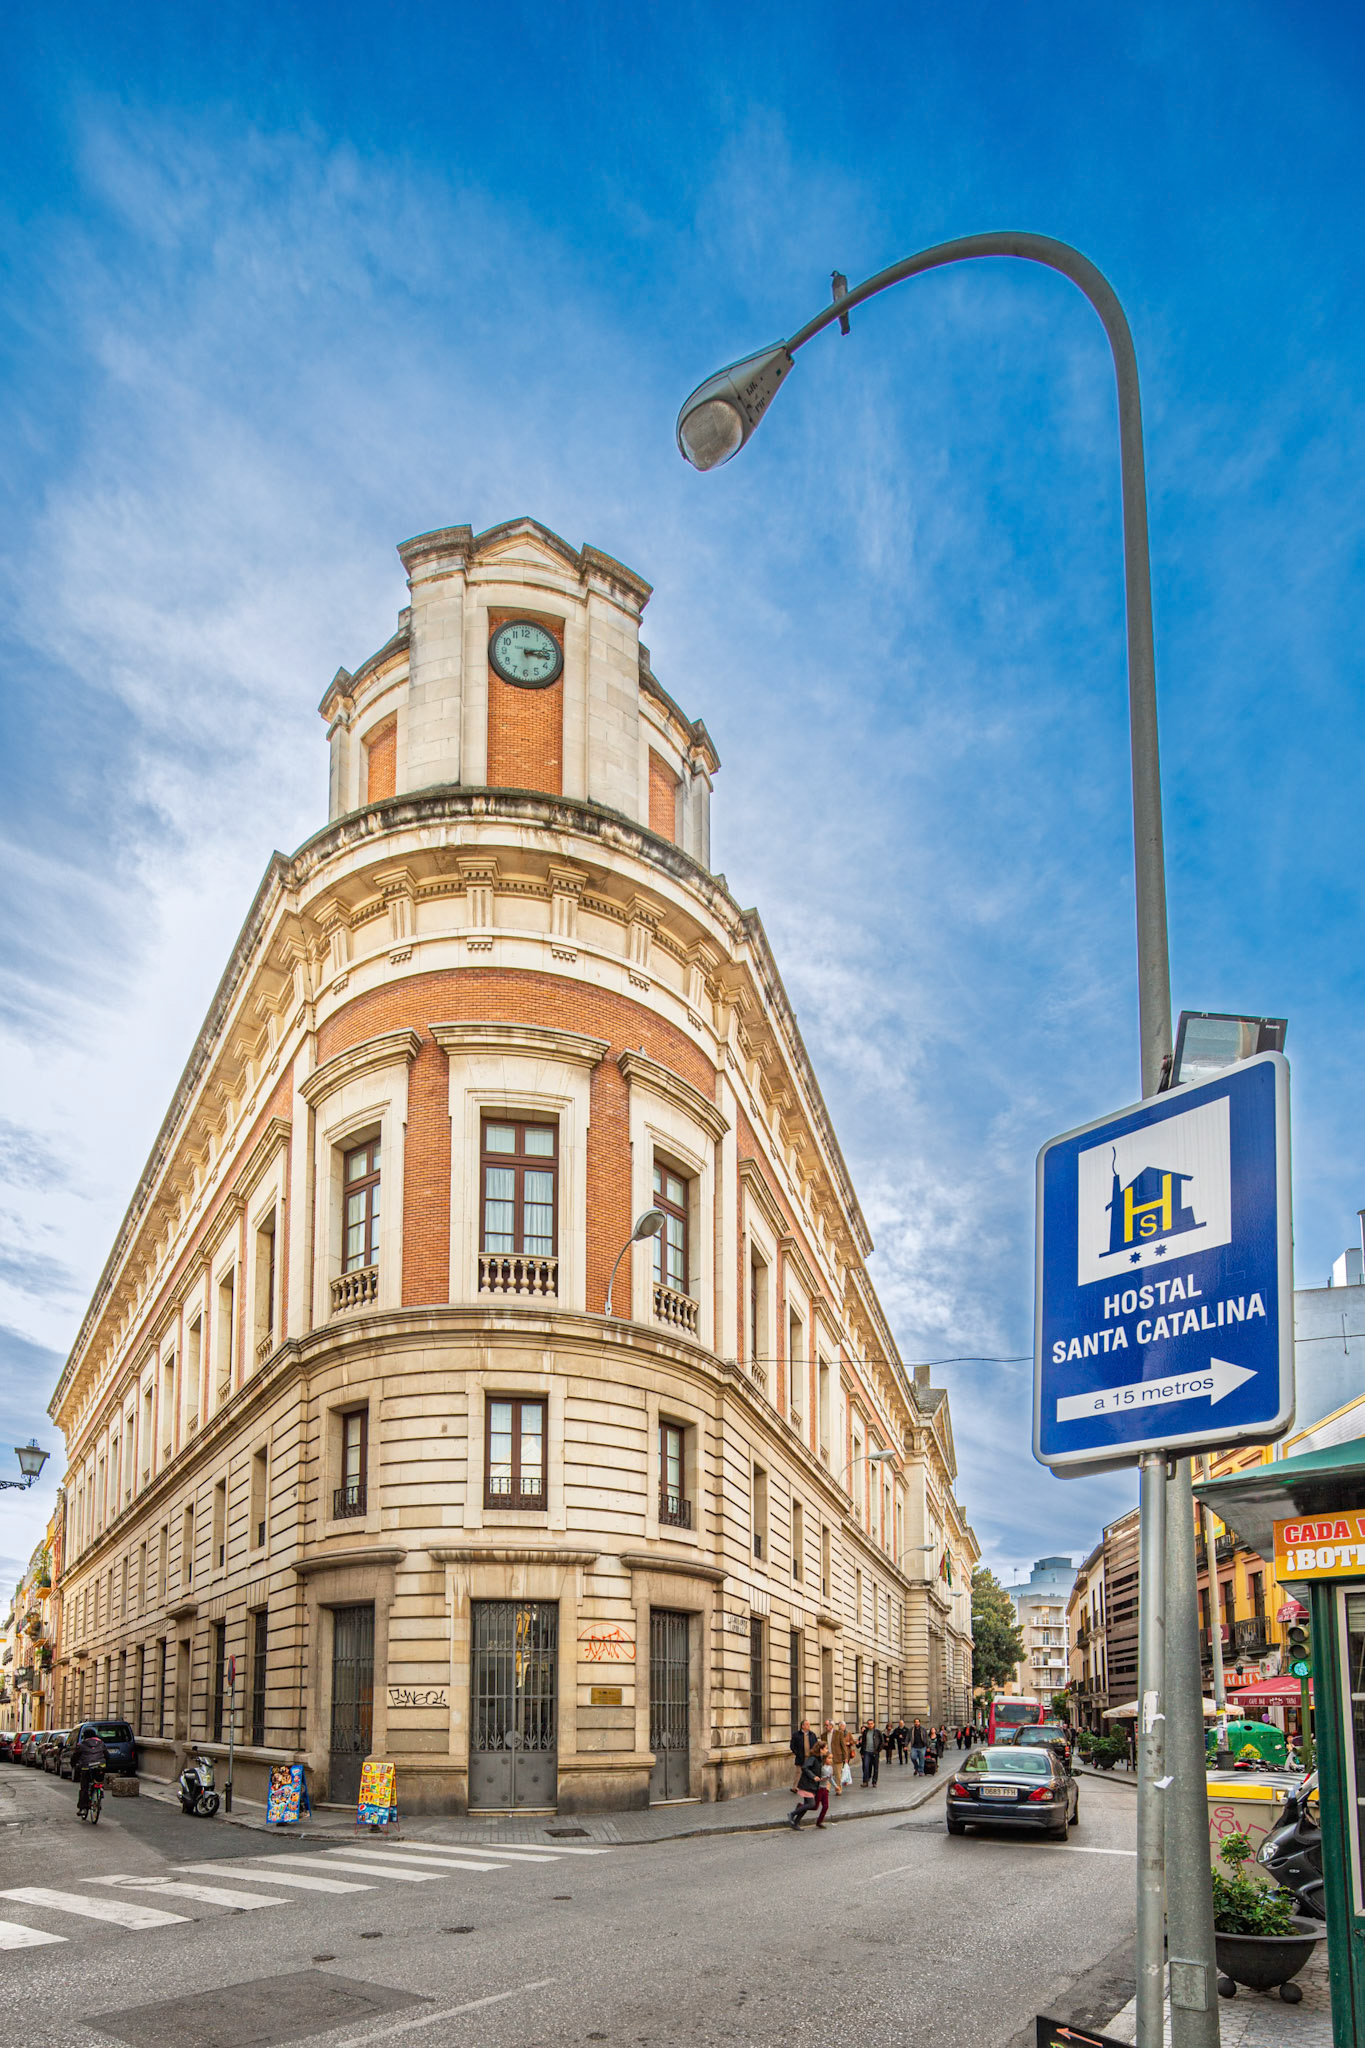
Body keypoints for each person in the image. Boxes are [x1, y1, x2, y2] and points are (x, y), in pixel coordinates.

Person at [72, 1724, 107, 1817]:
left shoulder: (82, 1744)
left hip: (87, 1767)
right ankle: (99, 1791)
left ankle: (83, 1808)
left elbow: (75, 1757)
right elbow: (107, 1755)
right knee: (98, 1780)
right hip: (100, 1766)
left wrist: (74, 1765)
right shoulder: (101, 1743)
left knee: (84, 1787)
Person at [789, 1741, 825, 1828]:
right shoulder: (813, 1758)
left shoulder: (819, 1758)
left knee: (806, 1805)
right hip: (807, 1784)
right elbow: (805, 1767)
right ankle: (791, 1814)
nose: (826, 1750)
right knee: (811, 1804)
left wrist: (820, 1777)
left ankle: (795, 1823)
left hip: (812, 1785)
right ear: (820, 1749)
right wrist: (813, 1777)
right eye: (826, 1748)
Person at [859, 1717, 881, 1787]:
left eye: (871, 1724)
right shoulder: (865, 1732)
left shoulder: (877, 1732)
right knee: (865, 1766)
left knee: (875, 1768)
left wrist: (878, 1750)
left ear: (874, 1724)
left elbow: (882, 1742)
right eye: (868, 1724)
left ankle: (874, 1782)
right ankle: (865, 1781)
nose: (870, 1725)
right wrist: (862, 1752)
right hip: (867, 1752)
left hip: (875, 1752)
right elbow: (863, 1743)